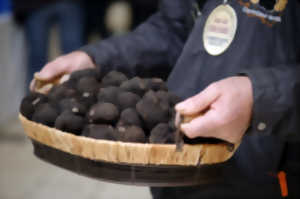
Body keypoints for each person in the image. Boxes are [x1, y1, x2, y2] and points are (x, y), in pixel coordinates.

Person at [31, 0, 300, 198]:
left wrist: (261, 99)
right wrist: (97, 58)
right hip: (181, 173)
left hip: (272, 179)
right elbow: (175, 28)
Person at [12, 0, 85, 86]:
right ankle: (35, 96)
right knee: (37, 58)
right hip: (34, 6)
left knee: (75, 54)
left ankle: (78, 91)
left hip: (63, 4)